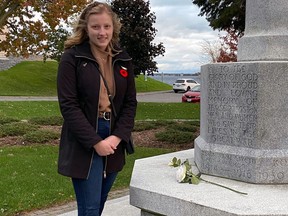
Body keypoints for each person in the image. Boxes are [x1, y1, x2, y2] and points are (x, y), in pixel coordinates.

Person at [56, 2, 137, 215]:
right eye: (95, 27)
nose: (102, 33)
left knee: (98, 204)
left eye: (106, 27)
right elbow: (68, 105)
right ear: (86, 28)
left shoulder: (123, 58)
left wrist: (117, 137)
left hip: (114, 137)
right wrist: (95, 142)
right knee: (90, 208)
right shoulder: (72, 58)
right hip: (85, 138)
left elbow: (130, 103)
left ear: (114, 28)